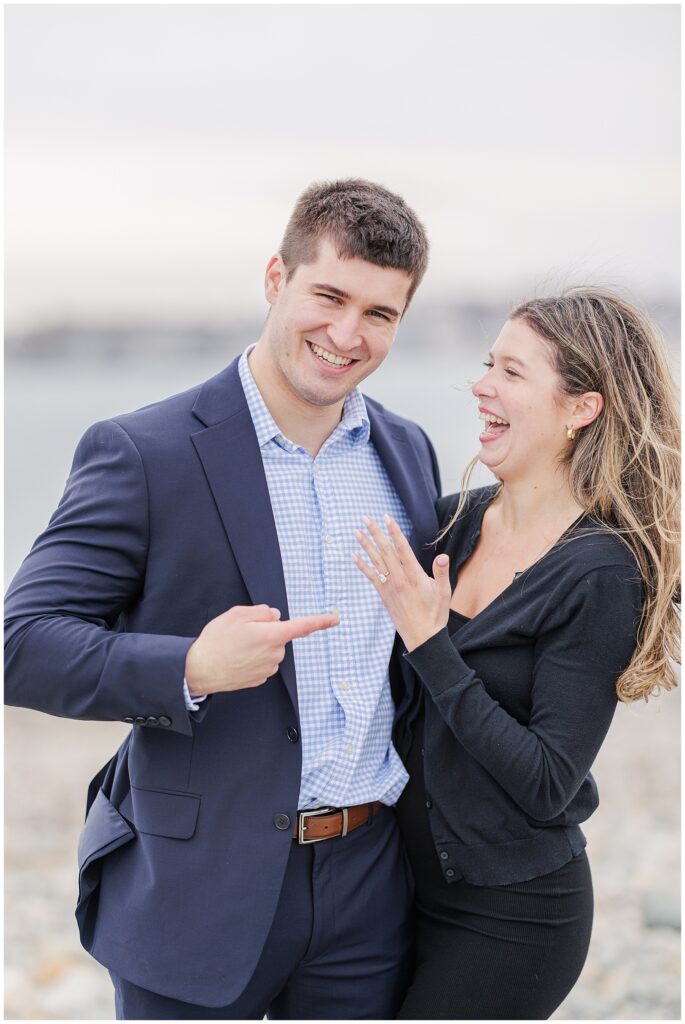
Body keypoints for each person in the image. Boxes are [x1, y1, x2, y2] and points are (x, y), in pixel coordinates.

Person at [4, 179, 443, 1020]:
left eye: (379, 314)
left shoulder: (406, 451)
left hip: (369, 884)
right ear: (276, 278)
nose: (347, 335)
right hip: (197, 886)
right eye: (328, 297)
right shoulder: (146, 452)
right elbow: (21, 645)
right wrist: (191, 667)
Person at [354, 288, 680, 1019]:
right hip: (394, 884)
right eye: (486, 364)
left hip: (513, 918)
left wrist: (431, 644)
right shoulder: (453, 524)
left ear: (580, 409)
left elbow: (547, 781)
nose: (481, 386)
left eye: (511, 371)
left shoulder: (599, 572)